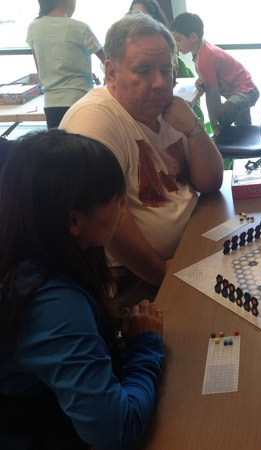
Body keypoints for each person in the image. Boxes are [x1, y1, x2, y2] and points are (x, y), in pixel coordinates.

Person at [0, 130, 164, 450]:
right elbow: (116, 431)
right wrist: (144, 347)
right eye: (116, 198)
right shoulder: (52, 304)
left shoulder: (34, 250)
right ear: (74, 221)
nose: (124, 208)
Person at [60, 13, 223, 304]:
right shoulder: (95, 119)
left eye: (166, 69)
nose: (160, 83)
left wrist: (194, 128)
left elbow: (210, 182)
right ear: (111, 72)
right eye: (144, 70)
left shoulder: (169, 109)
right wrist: (162, 274)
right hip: (134, 275)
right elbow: (109, 224)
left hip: (191, 246)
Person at [171, 12, 260, 136]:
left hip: (246, 91)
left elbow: (212, 96)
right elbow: (208, 79)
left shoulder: (205, 57)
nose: (176, 44)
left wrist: (215, 127)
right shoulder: (201, 50)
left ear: (193, 37)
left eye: (178, 39)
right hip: (242, 90)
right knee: (243, 129)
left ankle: (222, 136)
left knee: (225, 112)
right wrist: (201, 80)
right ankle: (239, 142)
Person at [26, 0, 106, 128]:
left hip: (51, 103)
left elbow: (41, 69)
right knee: (83, 141)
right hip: (80, 100)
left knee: (58, 141)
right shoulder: (81, 28)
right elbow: (108, 62)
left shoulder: (34, 28)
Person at [128, 0, 206, 123]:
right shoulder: (127, 43)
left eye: (144, 16)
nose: (138, 21)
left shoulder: (165, 43)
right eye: (134, 15)